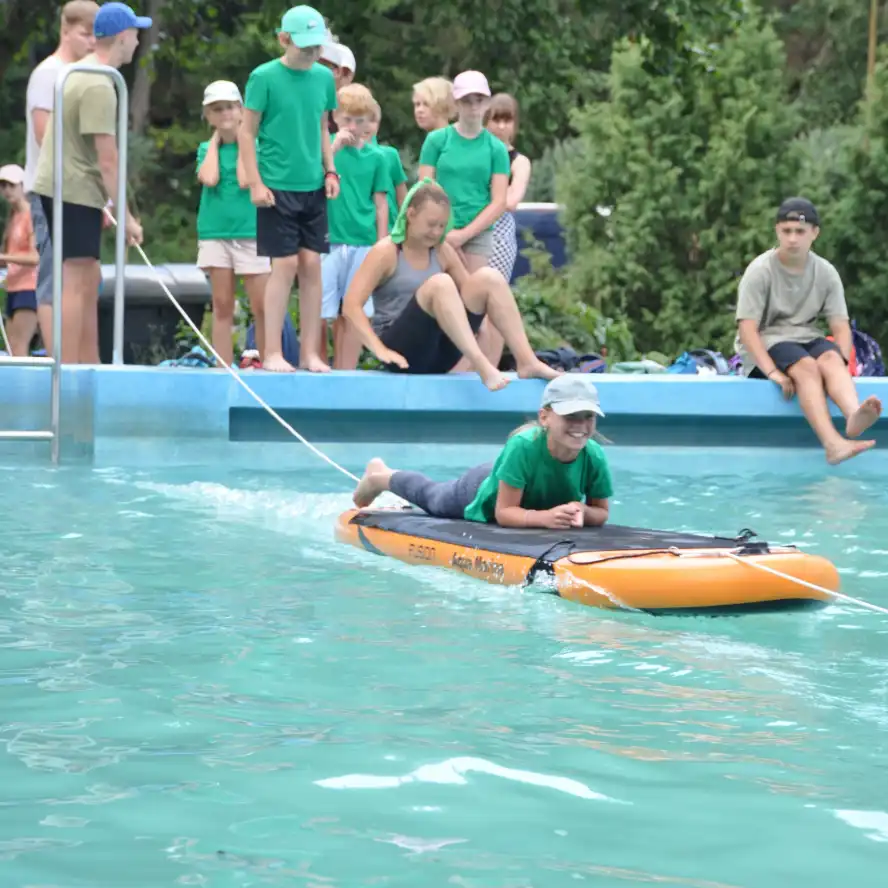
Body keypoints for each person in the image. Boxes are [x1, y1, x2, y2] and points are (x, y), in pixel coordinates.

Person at [341, 179, 560, 390]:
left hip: (439, 353)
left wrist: (481, 330)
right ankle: (483, 365)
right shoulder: (387, 252)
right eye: (431, 224)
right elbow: (351, 305)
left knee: (489, 277)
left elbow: (472, 295)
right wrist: (378, 349)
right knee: (441, 283)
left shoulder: (442, 250)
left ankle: (527, 361)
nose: (436, 232)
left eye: (442, 226)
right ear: (411, 214)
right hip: (402, 353)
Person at [31, 1, 147, 365]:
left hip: (66, 186)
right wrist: (125, 216)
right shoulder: (99, 83)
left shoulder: (80, 71)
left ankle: (83, 366)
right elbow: (108, 159)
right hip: (74, 189)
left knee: (84, 277)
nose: (139, 41)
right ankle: (66, 369)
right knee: (77, 280)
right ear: (123, 37)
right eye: (136, 34)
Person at [353, 374, 613, 530]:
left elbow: (600, 512)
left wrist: (582, 510)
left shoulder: (594, 455)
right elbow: (504, 513)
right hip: (482, 489)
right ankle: (380, 475)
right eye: (570, 415)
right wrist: (545, 517)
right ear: (544, 417)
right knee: (433, 499)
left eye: (588, 416)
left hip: (518, 482)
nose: (580, 425)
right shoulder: (523, 445)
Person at [735, 197, 881, 465]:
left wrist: (843, 360)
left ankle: (853, 416)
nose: (792, 238)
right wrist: (773, 373)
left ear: (814, 233)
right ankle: (833, 444)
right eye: (786, 231)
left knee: (830, 359)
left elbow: (840, 326)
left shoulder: (825, 272)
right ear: (777, 231)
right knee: (806, 367)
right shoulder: (760, 270)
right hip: (766, 343)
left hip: (805, 336)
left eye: (800, 231)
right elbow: (747, 330)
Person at [239, 5, 339, 373]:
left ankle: (311, 353)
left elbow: (322, 127)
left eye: (316, 48)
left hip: (312, 185)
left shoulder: (323, 79)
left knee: (312, 264)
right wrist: (255, 183)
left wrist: (331, 171)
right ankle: (272, 352)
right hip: (275, 186)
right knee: (284, 264)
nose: (312, 54)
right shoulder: (263, 77)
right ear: (284, 39)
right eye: (305, 47)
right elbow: (246, 132)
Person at [24, 0, 99, 355]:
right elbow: (45, 134)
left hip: (80, 192)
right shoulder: (49, 73)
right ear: (66, 30)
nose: (91, 42)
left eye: (96, 35)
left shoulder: (86, 75)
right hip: (50, 189)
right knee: (55, 276)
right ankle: (59, 360)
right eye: (85, 34)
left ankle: (83, 359)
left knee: (84, 277)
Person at [196, 79, 270, 368]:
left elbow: (244, 179)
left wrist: (242, 138)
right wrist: (216, 141)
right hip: (215, 233)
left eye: (229, 107)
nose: (224, 113)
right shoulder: (206, 148)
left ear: (241, 110)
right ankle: (222, 366)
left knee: (261, 305)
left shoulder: (255, 146)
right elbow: (210, 177)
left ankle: (266, 362)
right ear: (209, 116)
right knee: (222, 304)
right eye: (217, 109)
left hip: (250, 233)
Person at [322, 83, 389, 370]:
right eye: (347, 119)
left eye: (360, 120)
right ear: (335, 118)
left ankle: (345, 370)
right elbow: (314, 179)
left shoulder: (377, 158)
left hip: (363, 240)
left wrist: (383, 244)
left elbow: (381, 202)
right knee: (323, 311)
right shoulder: (326, 149)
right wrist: (334, 147)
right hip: (328, 238)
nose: (353, 126)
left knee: (355, 310)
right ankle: (318, 365)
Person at [417, 70, 509, 273]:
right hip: (437, 229)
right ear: (456, 103)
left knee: (472, 294)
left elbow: (499, 201)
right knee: (440, 291)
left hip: (478, 232)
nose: (474, 106)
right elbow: (424, 189)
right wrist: (444, 233)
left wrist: (464, 235)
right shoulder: (436, 141)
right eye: (467, 100)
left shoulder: (497, 149)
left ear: (487, 103)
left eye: (479, 100)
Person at [485, 93, 532, 283]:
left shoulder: (519, 162)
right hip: (466, 229)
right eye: (497, 120)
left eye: (507, 120)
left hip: (498, 234)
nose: (502, 127)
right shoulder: (475, 154)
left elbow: (511, 202)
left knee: (491, 294)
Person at [0, 164, 39, 356]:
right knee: (12, 348)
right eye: (3, 186)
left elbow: (35, 257)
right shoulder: (13, 217)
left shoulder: (32, 215)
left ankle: (27, 386)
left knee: (19, 346)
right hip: (14, 287)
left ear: (23, 186)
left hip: (30, 287)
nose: (7, 190)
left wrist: (4, 257)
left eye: (11, 185)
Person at [365, 100, 408, 231]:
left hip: (390, 231)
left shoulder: (390, 154)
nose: (366, 126)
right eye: (360, 120)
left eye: (371, 120)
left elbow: (402, 198)